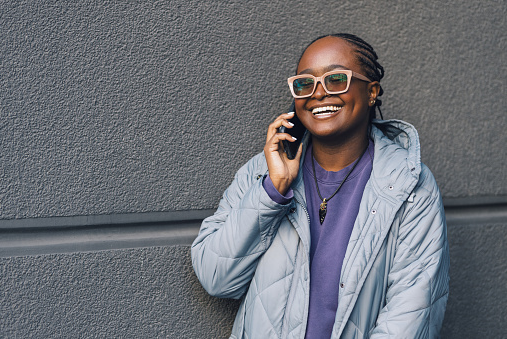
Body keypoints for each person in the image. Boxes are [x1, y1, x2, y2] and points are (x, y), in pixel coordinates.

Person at [191, 33, 449, 338]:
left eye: (336, 79)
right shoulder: (261, 173)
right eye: (305, 83)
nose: (319, 94)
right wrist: (272, 193)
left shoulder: (410, 186)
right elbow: (216, 277)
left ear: (371, 91)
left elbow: (411, 314)